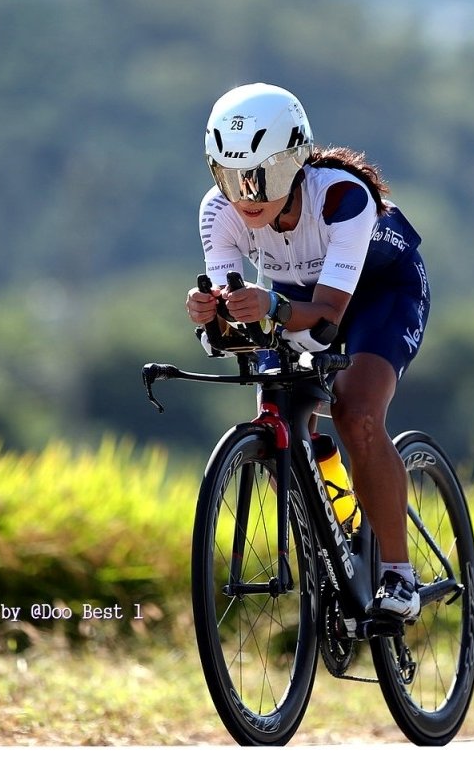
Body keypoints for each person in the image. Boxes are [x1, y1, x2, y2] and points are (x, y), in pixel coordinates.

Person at [186, 82, 430, 624]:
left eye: (260, 177)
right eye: (228, 176)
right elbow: (236, 327)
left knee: (356, 413)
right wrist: (213, 316)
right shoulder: (218, 212)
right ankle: (342, 530)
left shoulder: (343, 198)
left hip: (374, 296)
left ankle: (398, 574)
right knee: (279, 423)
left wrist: (268, 306)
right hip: (293, 300)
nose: (245, 194)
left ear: (295, 163)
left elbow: (325, 323)